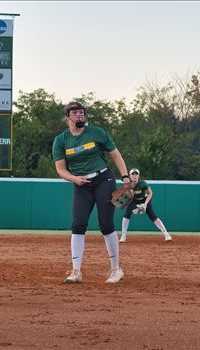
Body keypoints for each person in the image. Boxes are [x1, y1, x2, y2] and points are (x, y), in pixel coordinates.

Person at [52, 101, 130, 284]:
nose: (80, 115)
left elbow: (116, 155)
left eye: (82, 112)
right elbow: (60, 169)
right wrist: (75, 179)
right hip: (81, 184)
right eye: (75, 113)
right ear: (68, 117)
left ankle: (115, 269)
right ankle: (76, 271)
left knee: (105, 224)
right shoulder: (61, 140)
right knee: (78, 225)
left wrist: (125, 178)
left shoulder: (96, 132)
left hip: (104, 179)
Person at [119, 168, 173, 243]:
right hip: (133, 200)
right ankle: (123, 236)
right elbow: (126, 196)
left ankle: (166, 234)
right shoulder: (127, 185)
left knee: (153, 216)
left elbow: (150, 193)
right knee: (126, 215)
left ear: (138, 176)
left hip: (144, 200)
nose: (134, 176)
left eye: (136, 174)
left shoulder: (143, 183)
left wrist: (145, 204)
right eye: (133, 174)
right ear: (129, 176)